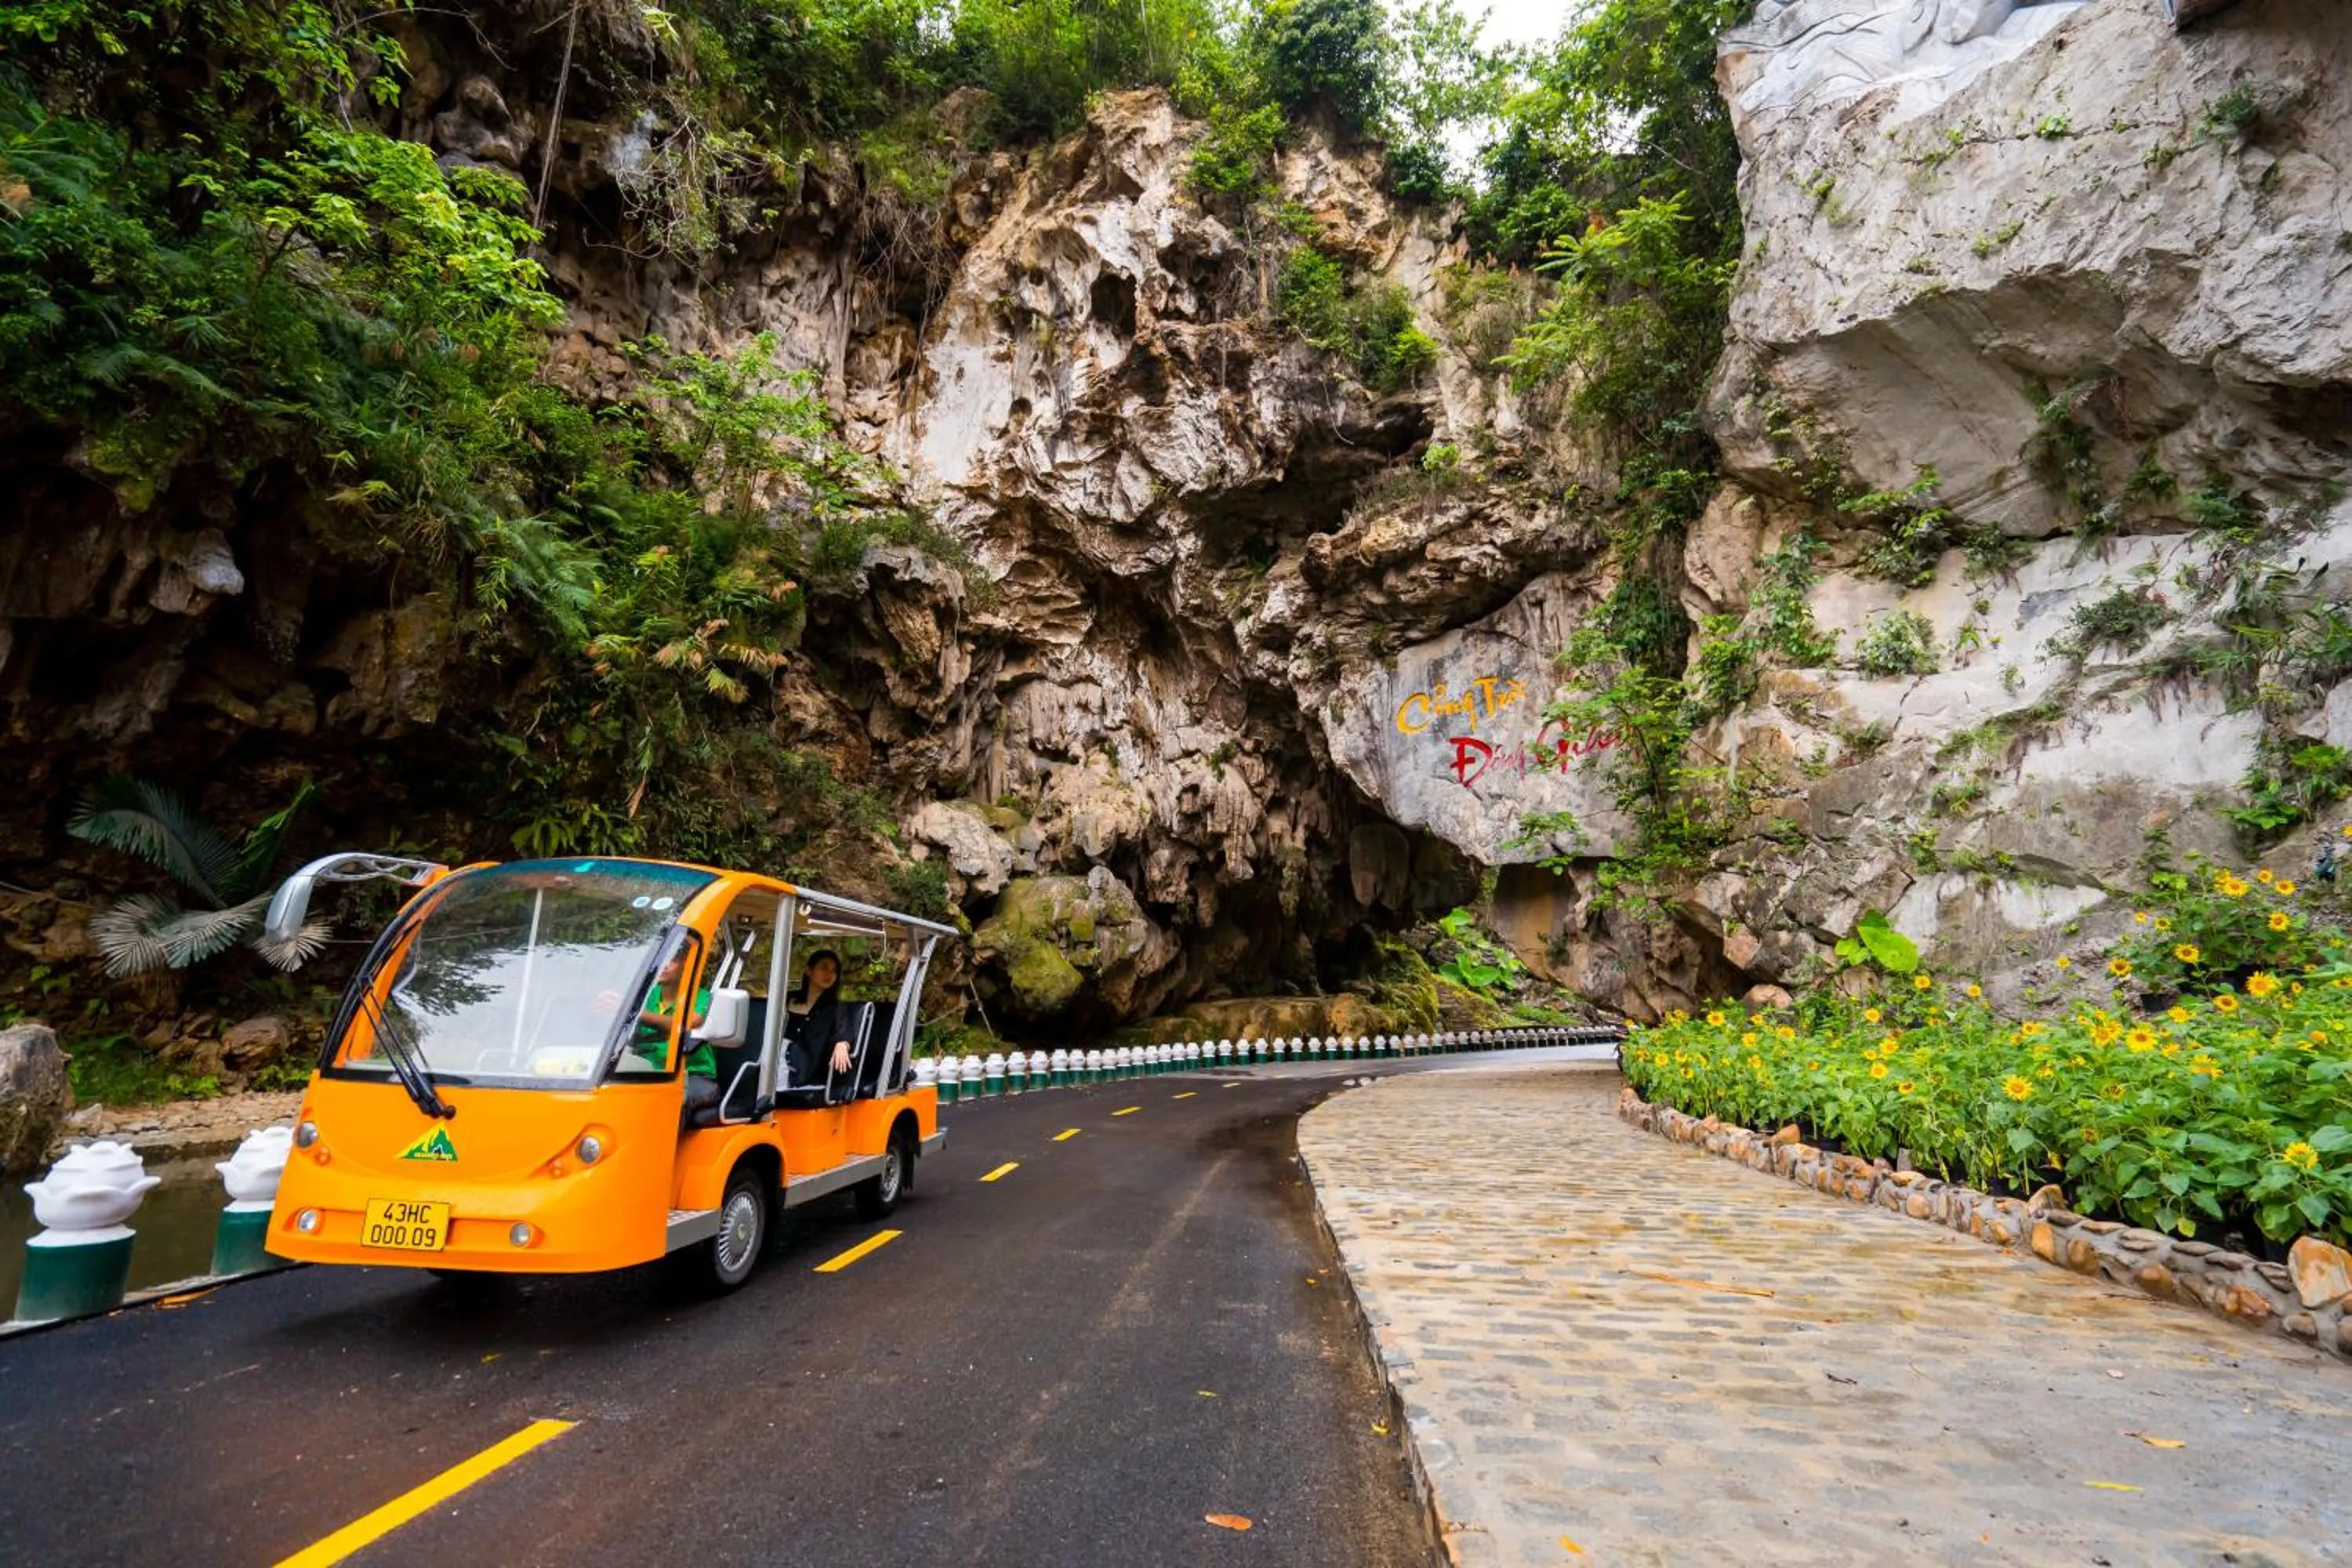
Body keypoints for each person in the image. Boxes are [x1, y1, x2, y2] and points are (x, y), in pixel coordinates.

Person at [629, 944, 717, 1114]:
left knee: (666, 1104)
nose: (665, 965)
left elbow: (684, 1025)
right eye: (662, 960)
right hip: (645, 1073)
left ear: (687, 964)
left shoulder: (703, 997)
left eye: (673, 960)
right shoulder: (645, 995)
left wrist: (635, 1012)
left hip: (693, 1077)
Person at [786, 949, 858, 1091]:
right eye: (824, 968)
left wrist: (842, 1044)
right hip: (778, 1061)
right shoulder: (787, 999)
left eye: (834, 971)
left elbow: (843, 1032)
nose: (830, 974)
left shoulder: (835, 1007)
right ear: (809, 970)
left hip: (808, 1070)